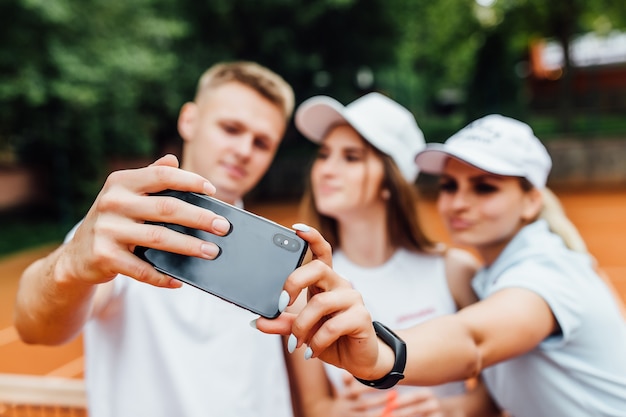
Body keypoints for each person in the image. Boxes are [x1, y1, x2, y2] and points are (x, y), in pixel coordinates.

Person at [256, 114, 626, 417]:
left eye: (485, 188)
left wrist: (381, 356)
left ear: (531, 201)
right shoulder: (490, 276)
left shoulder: (546, 270)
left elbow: (474, 341)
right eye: (449, 185)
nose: (458, 203)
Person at [14, 61, 298, 417]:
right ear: (189, 120)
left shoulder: (275, 253)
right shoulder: (125, 225)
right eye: (230, 128)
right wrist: (70, 264)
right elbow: (33, 324)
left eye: (262, 142)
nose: (244, 150)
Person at [287, 92, 499, 417]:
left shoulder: (455, 271)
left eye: (351, 157)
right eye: (324, 154)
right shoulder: (305, 285)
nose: (326, 170)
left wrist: (450, 409)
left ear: (390, 182)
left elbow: (498, 391)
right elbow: (314, 406)